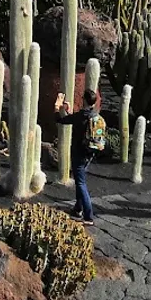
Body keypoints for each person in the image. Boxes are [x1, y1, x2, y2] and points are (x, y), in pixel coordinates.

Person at [54, 87, 103, 226]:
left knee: (81, 183)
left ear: (84, 100)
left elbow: (60, 120)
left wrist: (57, 107)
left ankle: (88, 216)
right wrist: (69, 111)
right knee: (80, 180)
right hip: (90, 152)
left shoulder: (80, 116)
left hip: (79, 153)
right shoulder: (94, 115)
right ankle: (78, 209)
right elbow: (77, 121)